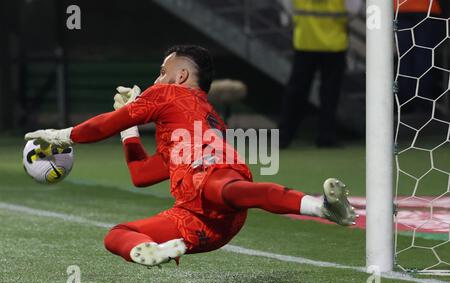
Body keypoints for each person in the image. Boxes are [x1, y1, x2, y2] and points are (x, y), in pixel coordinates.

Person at [24, 45, 356, 267]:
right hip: (203, 220)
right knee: (117, 235)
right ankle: (153, 252)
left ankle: (320, 207)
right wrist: (130, 128)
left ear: (180, 76)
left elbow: (104, 125)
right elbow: (140, 175)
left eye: (163, 71)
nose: (157, 79)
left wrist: (62, 135)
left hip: (211, 185)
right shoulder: (189, 130)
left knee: (222, 188)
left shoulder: (169, 94)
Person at [279, 0, 362, 148]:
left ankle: (284, 137)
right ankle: (326, 137)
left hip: (305, 41)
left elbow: (287, 6)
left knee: (296, 93)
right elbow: (353, 10)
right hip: (334, 43)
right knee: (330, 94)